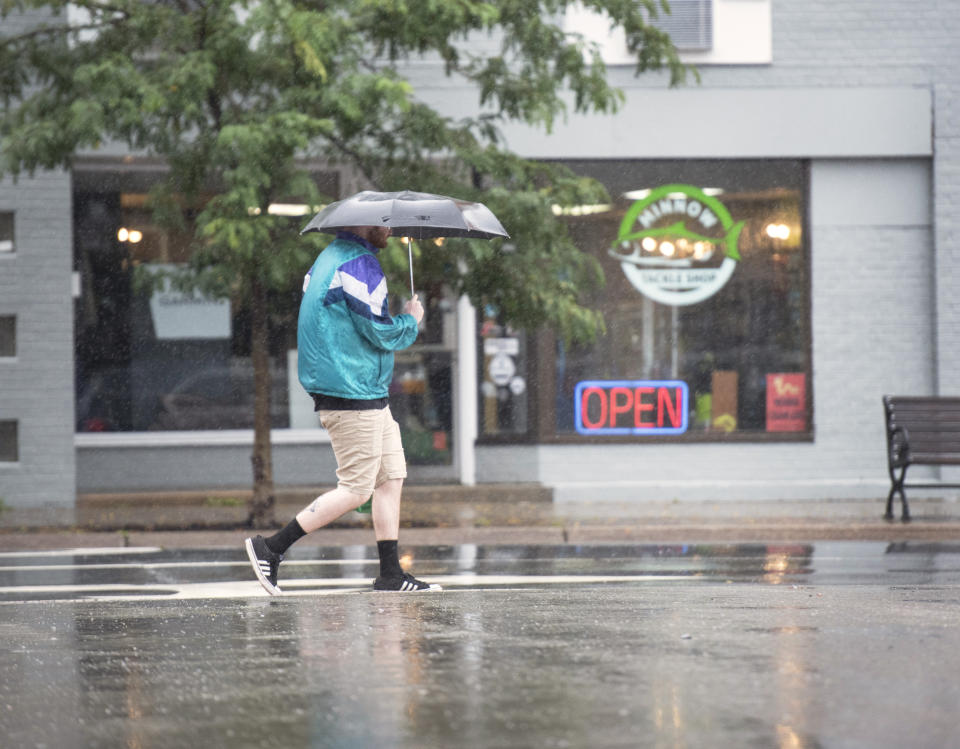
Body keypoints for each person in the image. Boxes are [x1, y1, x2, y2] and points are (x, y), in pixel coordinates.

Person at [244, 225, 441, 594]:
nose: (389, 229)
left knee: (390, 477)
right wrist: (411, 320)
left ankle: (390, 574)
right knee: (356, 489)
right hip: (352, 392)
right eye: (383, 223)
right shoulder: (359, 265)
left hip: (360, 389)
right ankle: (270, 548)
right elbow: (379, 331)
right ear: (363, 226)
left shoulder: (328, 259)